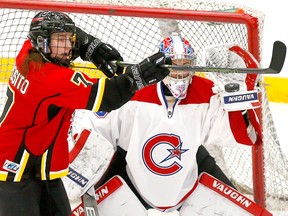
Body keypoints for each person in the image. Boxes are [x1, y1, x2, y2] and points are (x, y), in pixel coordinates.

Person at [68, 32, 262, 215]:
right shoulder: (134, 92)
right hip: (130, 176)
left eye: (185, 64)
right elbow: (98, 129)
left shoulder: (207, 93)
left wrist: (239, 99)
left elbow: (243, 136)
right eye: (174, 65)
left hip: (190, 175)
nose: (180, 71)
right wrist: (80, 175)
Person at [0, 11, 169, 216]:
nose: (69, 47)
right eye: (61, 41)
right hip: (15, 172)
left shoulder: (29, 51)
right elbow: (107, 97)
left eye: (68, 40)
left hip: (37, 163)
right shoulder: (49, 78)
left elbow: (70, 36)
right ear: (42, 42)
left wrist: (90, 45)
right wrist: (137, 77)